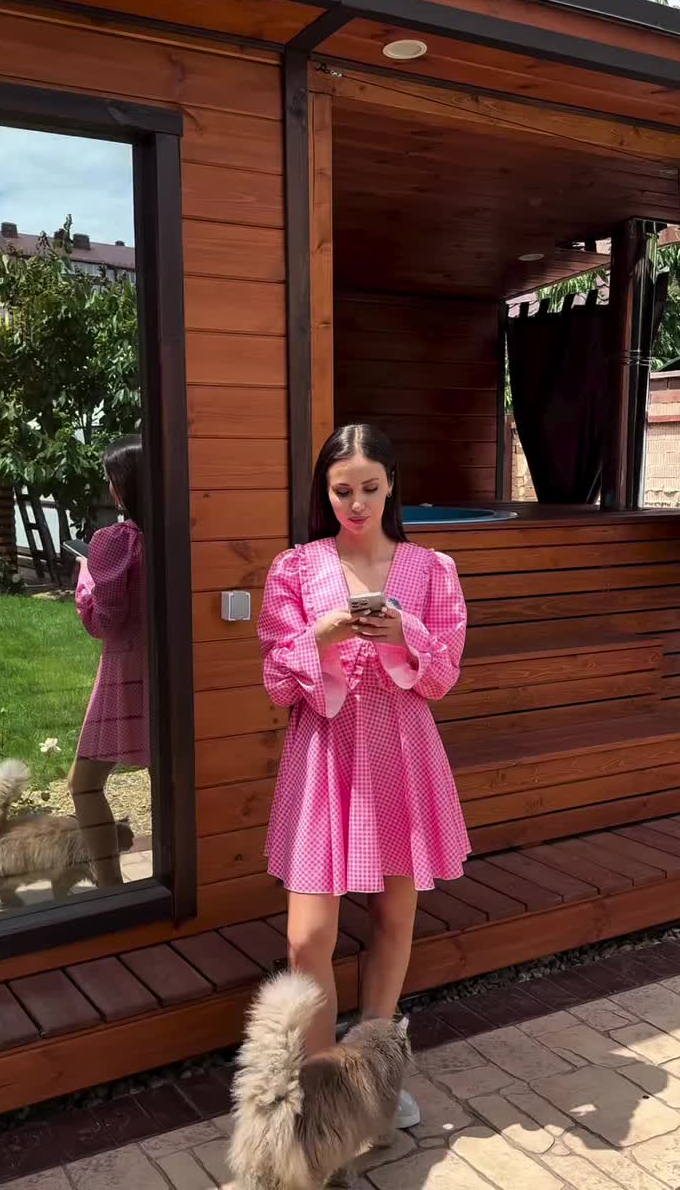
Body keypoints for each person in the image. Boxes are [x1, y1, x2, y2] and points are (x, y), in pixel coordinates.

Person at [259, 422, 470, 1129]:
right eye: (341, 490)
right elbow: (276, 678)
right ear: (324, 493)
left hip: (401, 751)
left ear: (390, 486)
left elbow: (442, 676)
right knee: (307, 937)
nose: (356, 504)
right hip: (324, 752)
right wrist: (321, 635)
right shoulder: (295, 568)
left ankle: (375, 1077)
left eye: (369, 489)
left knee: (393, 917)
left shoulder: (431, 568)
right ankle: (324, 1086)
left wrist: (405, 633)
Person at [69, 434, 149, 888]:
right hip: (171, 671)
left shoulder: (114, 541)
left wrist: (86, 579)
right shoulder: (179, 533)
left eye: (111, 478)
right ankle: (175, 879)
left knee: (84, 783)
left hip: (124, 674)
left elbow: (104, 620)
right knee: (168, 779)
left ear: (124, 484)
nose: (109, 487)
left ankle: (110, 888)